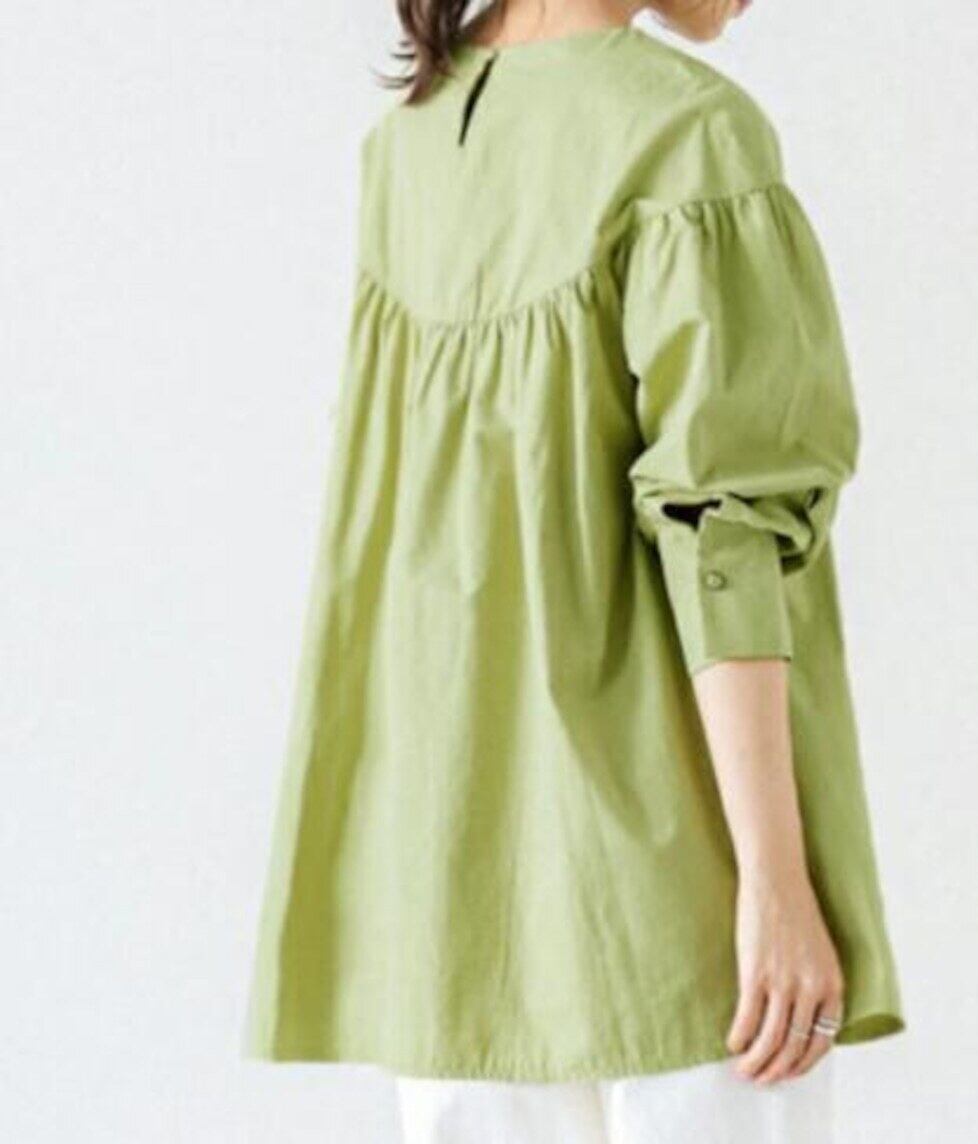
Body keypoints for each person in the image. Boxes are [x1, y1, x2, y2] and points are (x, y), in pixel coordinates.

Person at [243, 1, 904, 1140]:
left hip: (445, 888)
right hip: (672, 887)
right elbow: (723, 527)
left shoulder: (407, 148)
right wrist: (774, 880)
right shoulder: (688, 135)